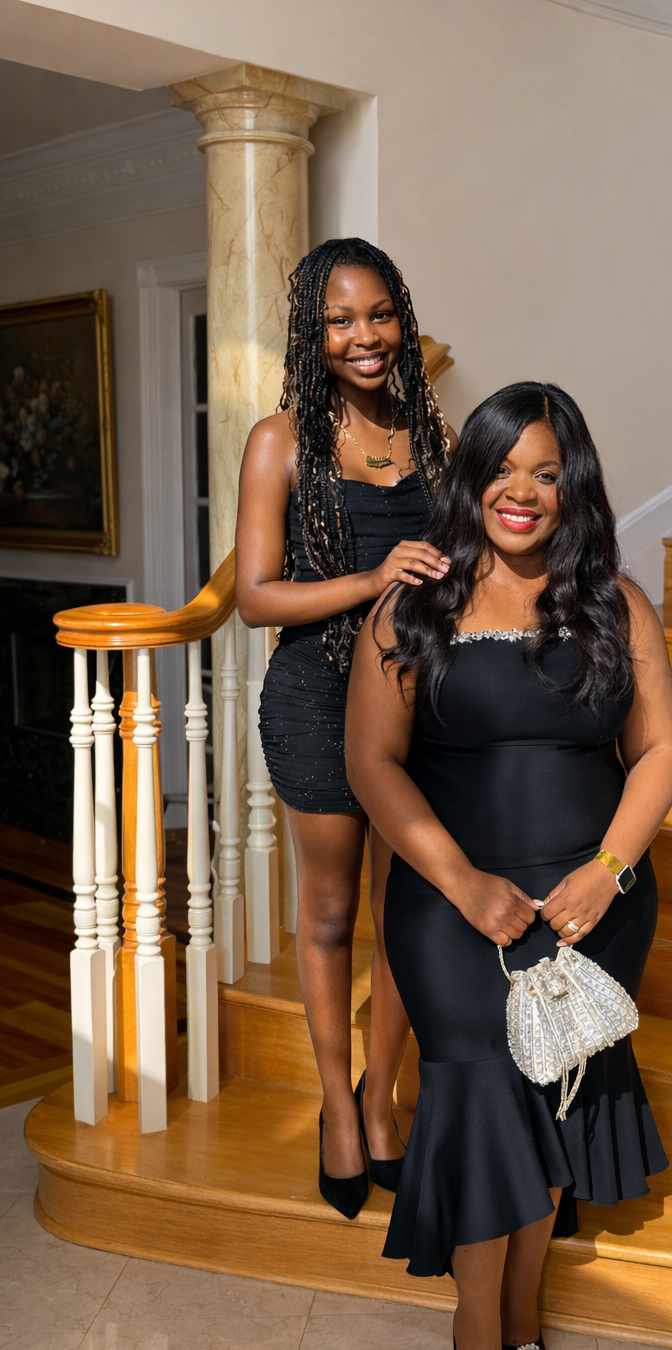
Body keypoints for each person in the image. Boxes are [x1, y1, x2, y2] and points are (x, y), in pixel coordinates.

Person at [346, 383, 672, 1350]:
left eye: (545, 472)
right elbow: (372, 764)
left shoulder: (616, 604)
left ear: (573, 485)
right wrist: (460, 882)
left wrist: (609, 870)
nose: (521, 492)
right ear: (471, 480)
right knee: (487, 1098)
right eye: (501, 469)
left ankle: (523, 1299)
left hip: (591, 903)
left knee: (554, 1101)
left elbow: (659, 751)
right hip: (452, 901)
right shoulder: (412, 606)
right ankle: (473, 1330)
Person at [235, 238, 456, 1219]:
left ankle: (380, 1099)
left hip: (419, 706)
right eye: (339, 319)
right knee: (328, 917)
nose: (363, 336)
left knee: (404, 917)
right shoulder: (280, 441)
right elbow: (254, 596)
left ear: (401, 318)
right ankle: (335, 1105)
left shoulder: (434, 434)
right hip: (317, 700)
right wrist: (371, 579)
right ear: (310, 333)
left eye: (379, 314)